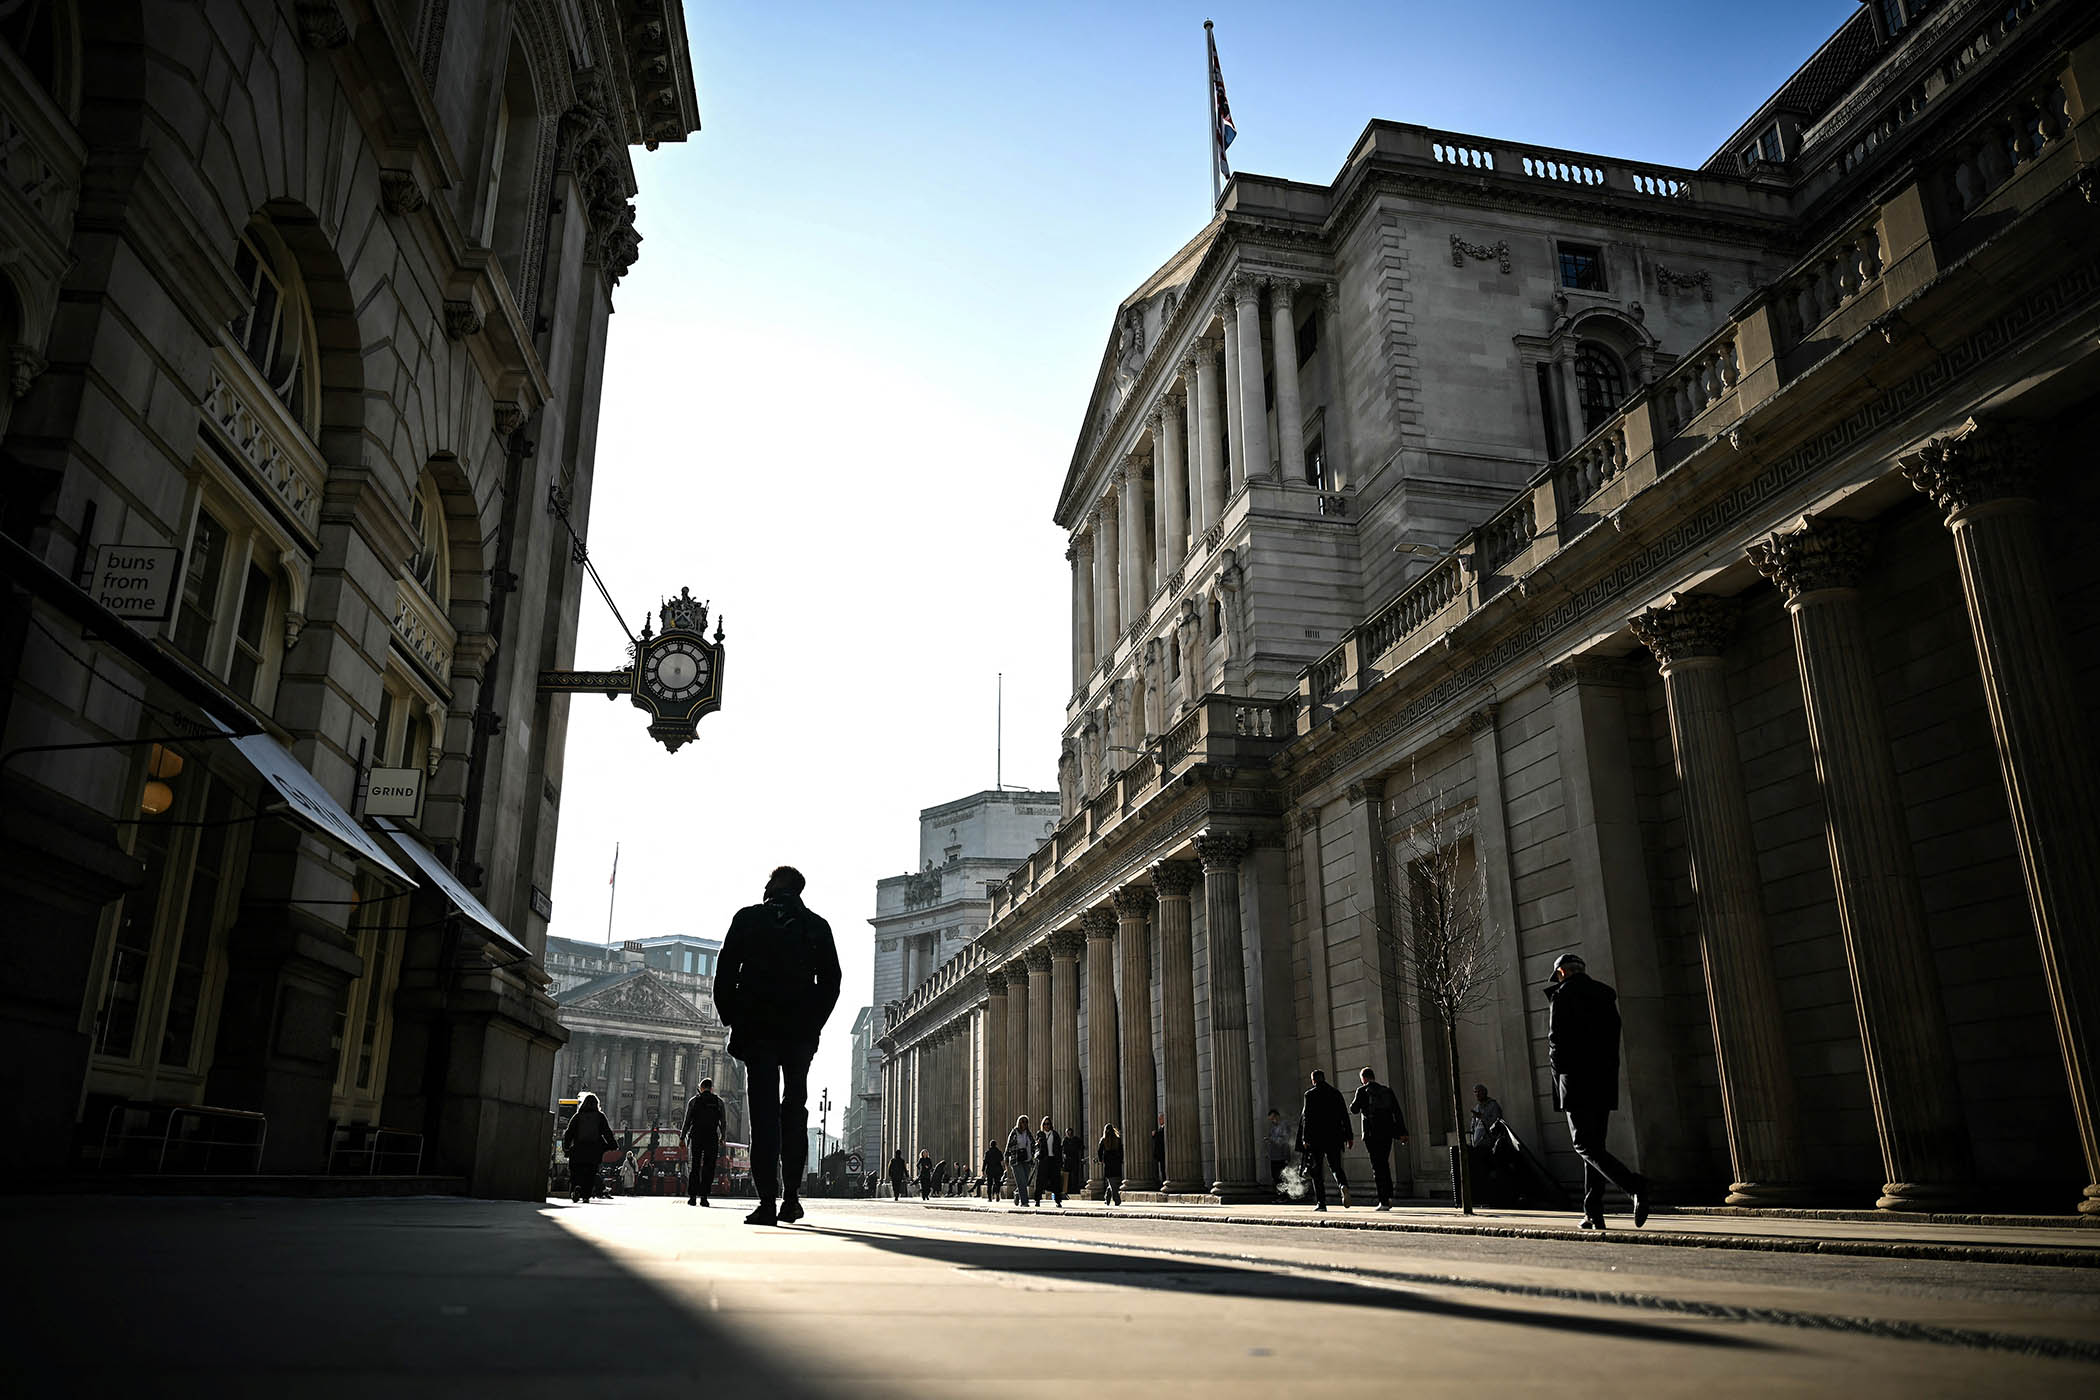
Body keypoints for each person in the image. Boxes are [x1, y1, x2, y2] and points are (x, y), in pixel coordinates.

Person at [714, 865, 842, 1227]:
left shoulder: (748, 918)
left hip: (757, 1030)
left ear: (772, 886)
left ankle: (766, 1201)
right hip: (798, 1032)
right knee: (795, 1110)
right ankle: (792, 1198)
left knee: (764, 1114)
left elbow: (724, 974)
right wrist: (813, 1022)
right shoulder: (817, 926)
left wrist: (733, 1017)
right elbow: (831, 981)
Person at [1546, 952, 1650, 1229]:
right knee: (1594, 1148)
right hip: (1603, 1080)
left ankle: (1635, 1186)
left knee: (1583, 1144)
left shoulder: (1562, 995)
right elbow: (1614, 1036)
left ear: (1563, 973)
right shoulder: (1604, 996)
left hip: (1575, 1081)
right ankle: (1593, 1211)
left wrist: (1559, 1079)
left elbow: (1556, 1043)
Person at [1348, 1067, 1410, 1211]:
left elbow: (1354, 1109)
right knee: (1384, 1163)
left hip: (1371, 1134)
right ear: (1373, 1076)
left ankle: (1383, 1201)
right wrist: (1403, 1132)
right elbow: (1397, 1112)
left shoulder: (1362, 1091)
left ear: (1363, 1078)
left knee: (1377, 1166)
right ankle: (1388, 1196)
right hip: (1387, 1133)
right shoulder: (1387, 1090)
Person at [1298, 1069, 1353, 1212]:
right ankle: (1342, 1185)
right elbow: (1344, 1116)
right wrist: (1349, 1136)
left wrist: (1305, 1138)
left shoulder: (1309, 1095)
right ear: (1324, 1078)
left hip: (1316, 1139)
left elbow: (1307, 1118)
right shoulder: (1335, 1093)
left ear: (1313, 1080)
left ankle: (1321, 1203)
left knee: (1317, 1171)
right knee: (1336, 1166)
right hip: (1334, 1137)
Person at [561, 1092, 616, 1204]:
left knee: (576, 1172)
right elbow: (607, 1132)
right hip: (593, 1151)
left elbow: (568, 1133)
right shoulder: (600, 1117)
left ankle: (576, 1187)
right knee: (590, 1174)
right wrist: (613, 1144)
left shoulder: (577, 1116)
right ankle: (586, 1195)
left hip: (578, 1149)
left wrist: (566, 1147)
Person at [682, 1076, 726, 1207]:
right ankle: (704, 1197)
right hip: (711, 1137)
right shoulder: (719, 1102)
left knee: (694, 1166)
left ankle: (692, 1196)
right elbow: (723, 1122)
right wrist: (723, 1137)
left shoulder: (694, 1101)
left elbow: (687, 1120)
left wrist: (682, 1137)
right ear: (711, 1088)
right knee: (709, 1167)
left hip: (696, 1135)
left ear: (701, 1088)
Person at [1032, 1114, 1065, 1207]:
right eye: (1045, 1124)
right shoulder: (1040, 1134)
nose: (1047, 1126)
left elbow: (1059, 1148)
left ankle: (1058, 1201)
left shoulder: (1055, 1134)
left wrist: (1060, 1161)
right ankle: (1037, 1200)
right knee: (1040, 1180)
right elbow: (1036, 1146)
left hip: (1053, 1160)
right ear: (1043, 1125)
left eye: (1048, 1124)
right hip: (1043, 1160)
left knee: (1056, 1180)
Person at [1005, 1115, 1036, 1206]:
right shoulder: (1014, 1132)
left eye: (1026, 1122)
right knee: (1021, 1181)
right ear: (1019, 1123)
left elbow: (1033, 1144)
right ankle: (1024, 1202)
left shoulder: (1028, 1133)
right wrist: (1006, 1158)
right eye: (1022, 1121)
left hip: (1027, 1159)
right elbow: (1009, 1145)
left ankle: (1017, 1193)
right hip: (1016, 1160)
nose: (1024, 1123)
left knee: (1025, 1181)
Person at [1265, 1109, 1292, 1199]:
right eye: (1271, 1119)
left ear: (1277, 1116)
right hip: (1274, 1156)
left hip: (1281, 1156)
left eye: (1273, 1118)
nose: (1272, 1121)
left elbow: (1284, 1141)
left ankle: (1284, 1196)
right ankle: (1280, 1196)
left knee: (1281, 1177)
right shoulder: (1273, 1127)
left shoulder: (1283, 1126)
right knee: (1275, 1177)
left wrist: (1271, 1140)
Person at [1097, 1125, 1125, 1206]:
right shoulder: (1117, 1139)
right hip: (1116, 1162)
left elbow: (1099, 1151)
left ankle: (1117, 1199)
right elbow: (1121, 1151)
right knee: (1112, 1181)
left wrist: (1100, 1160)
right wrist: (1121, 1160)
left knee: (1111, 1181)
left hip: (1108, 1162)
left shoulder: (1103, 1140)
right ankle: (1107, 1198)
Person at [1469, 1084, 1504, 1148]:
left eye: (1479, 1091)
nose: (1477, 1094)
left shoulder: (1493, 1105)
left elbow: (1497, 1124)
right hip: (1477, 1145)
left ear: (1484, 1092)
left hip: (1490, 1144)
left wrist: (1482, 1117)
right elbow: (1472, 1128)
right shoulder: (1476, 1108)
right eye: (1475, 1092)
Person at [1060, 1128, 1085, 1201]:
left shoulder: (1076, 1140)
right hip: (1067, 1160)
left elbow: (1082, 1147)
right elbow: (1062, 1150)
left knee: (1075, 1175)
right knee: (1067, 1176)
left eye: (1070, 1133)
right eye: (1068, 1133)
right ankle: (1067, 1190)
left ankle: (1074, 1189)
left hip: (1074, 1160)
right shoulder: (1065, 1140)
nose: (1069, 1135)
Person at [1150, 1113, 1166, 1188]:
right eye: (1159, 1119)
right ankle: (1163, 1181)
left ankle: (1164, 1181)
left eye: (1161, 1119)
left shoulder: (1164, 1129)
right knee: (1162, 1169)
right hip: (1160, 1153)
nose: (1159, 1120)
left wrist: (1155, 1134)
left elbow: (1161, 1137)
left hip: (1163, 1153)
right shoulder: (1160, 1128)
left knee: (1164, 1169)